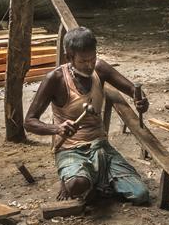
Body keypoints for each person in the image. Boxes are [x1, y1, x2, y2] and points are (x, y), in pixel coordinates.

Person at [24, 26, 151, 205]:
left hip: (101, 146)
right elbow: (29, 122)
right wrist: (57, 128)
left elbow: (133, 89)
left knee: (141, 194)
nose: (90, 65)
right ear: (69, 57)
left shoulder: (100, 68)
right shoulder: (56, 79)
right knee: (77, 184)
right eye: (83, 61)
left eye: (93, 58)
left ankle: (94, 181)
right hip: (70, 149)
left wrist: (141, 100)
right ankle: (79, 179)